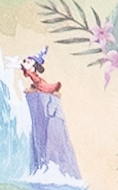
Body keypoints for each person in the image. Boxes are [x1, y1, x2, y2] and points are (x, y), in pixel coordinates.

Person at [20, 48, 82, 180]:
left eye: (29, 62)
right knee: (41, 87)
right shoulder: (31, 74)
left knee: (43, 87)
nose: (26, 62)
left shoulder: (34, 75)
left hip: (43, 93)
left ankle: (51, 88)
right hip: (40, 94)